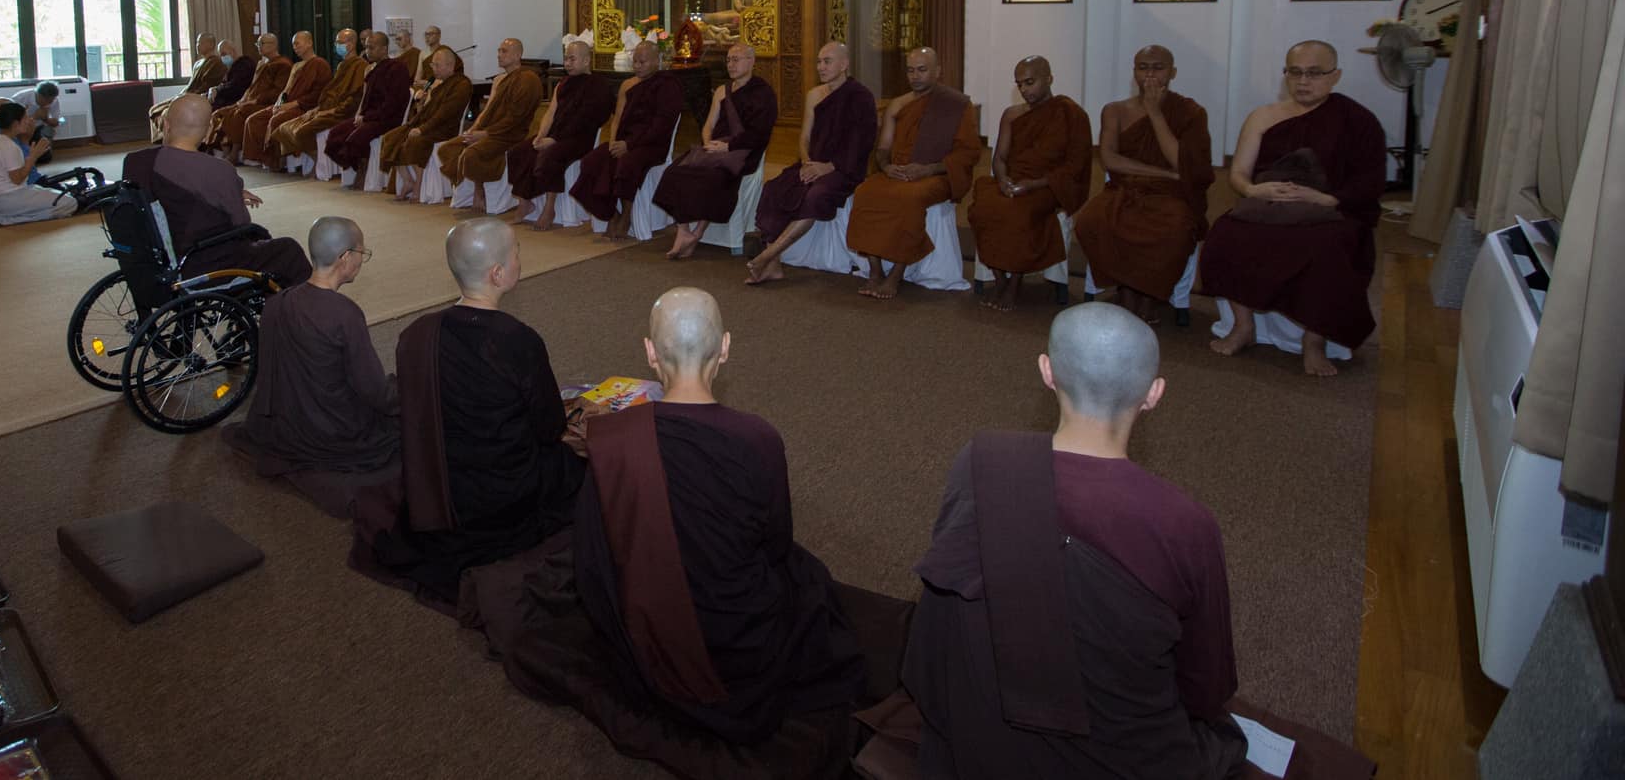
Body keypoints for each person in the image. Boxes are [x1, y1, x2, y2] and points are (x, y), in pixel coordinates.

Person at [899, 303, 1247, 778]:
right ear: (1153, 394)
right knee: (1225, 742)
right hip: (1120, 753)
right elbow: (1206, 686)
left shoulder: (981, 461)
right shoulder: (1184, 524)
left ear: (1047, 371)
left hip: (979, 730)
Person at [577, 287, 867, 742]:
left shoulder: (612, 439)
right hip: (737, 639)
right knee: (809, 579)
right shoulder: (757, 439)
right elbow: (775, 543)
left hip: (646, 630)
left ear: (650, 353)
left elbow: (595, 552)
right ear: (726, 347)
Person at [352, 218, 585, 602]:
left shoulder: (415, 335)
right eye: (517, 253)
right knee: (577, 469)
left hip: (438, 488)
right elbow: (548, 428)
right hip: (503, 497)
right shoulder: (516, 340)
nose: (519, 258)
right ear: (497, 274)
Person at [1205, 41, 1386, 377]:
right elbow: (1239, 175)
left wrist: (1325, 199)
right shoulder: (1263, 116)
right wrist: (1253, 189)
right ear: (1285, 74)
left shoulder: (1359, 122)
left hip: (1329, 212)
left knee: (1328, 249)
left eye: (1315, 73)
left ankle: (1314, 341)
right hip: (1268, 205)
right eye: (1295, 72)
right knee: (1224, 234)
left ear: (1336, 76)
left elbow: (1370, 181)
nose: (1304, 81)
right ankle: (1243, 327)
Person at [228, 215, 399, 478]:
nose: (361, 259)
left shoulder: (276, 303)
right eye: (361, 252)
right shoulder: (344, 313)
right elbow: (374, 390)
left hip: (286, 424)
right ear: (345, 257)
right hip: (334, 431)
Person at [1072, 46, 1215, 327]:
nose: (1149, 74)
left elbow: (1182, 163)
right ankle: (1125, 290)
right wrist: (1162, 172)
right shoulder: (1115, 110)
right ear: (1134, 71)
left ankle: (1149, 295)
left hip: (1171, 195)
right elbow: (1110, 159)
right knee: (1091, 220)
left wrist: (1155, 114)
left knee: (1174, 228)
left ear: (1172, 72)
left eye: (1158, 67)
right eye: (1142, 67)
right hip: (1126, 188)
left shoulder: (1190, 112)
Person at [122, 94, 312, 285]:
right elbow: (241, 224)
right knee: (287, 249)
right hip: (203, 263)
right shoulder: (220, 171)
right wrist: (230, 195)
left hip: (154, 261)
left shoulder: (135, 162)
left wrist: (225, 194)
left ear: (165, 124)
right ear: (208, 131)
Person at [848, 47, 981, 300]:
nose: (915, 76)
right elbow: (883, 148)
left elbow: (969, 153)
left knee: (909, 200)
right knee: (865, 192)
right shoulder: (899, 104)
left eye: (922, 70)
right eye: (910, 70)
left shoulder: (957, 105)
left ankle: (896, 274)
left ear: (937, 71)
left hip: (934, 174)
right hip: (897, 172)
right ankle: (875, 271)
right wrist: (887, 167)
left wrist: (928, 168)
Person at [967, 56, 1094, 311]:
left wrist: (1032, 185)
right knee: (983, 207)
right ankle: (1000, 279)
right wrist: (1003, 181)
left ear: (1049, 79)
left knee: (1017, 214)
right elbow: (1000, 158)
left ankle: (1015, 283)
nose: (1025, 90)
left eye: (1030, 82)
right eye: (1020, 84)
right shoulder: (1012, 115)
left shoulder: (1071, 114)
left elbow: (1074, 167)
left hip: (1049, 186)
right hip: (1014, 181)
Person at [747, 43, 876, 285]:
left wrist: (827, 167)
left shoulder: (861, 97)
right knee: (774, 188)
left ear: (844, 65)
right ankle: (773, 265)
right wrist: (807, 162)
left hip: (843, 168)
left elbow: (860, 145)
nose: (821, 67)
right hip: (811, 163)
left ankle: (768, 255)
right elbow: (804, 137)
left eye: (827, 61)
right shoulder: (815, 95)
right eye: (819, 62)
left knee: (816, 196)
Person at [657, 43, 779, 260]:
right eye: (729, 60)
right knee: (674, 172)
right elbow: (708, 124)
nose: (731, 64)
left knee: (714, 178)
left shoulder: (763, 93)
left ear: (751, 62)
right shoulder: (723, 90)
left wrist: (727, 147)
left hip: (742, 151)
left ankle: (698, 233)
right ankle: (683, 231)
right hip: (713, 149)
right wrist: (708, 145)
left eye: (737, 59)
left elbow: (760, 133)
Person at [570, 41, 684, 239]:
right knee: (591, 161)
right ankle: (611, 214)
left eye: (642, 62)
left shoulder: (668, 86)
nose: (637, 66)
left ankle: (627, 215)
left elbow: (661, 126)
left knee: (626, 164)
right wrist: (616, 142)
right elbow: (619, 119)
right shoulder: (630, 85)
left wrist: (629, 145)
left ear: (657, 61)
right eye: (635, 62)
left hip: (652, 145)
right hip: (625, 142)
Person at [506, 39, 613, 229]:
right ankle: (525, 203)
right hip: (554, 135)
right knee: (518, 151)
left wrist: (553, 140)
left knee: (551, 155)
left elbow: (584, 120)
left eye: (572, 59)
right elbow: (551, 113)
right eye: (566, 59)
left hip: (579, 138)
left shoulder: (598, 86)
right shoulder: (563, 84)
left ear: (587, 61)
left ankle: (549, 208)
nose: (567, 64)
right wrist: (540, 135)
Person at [434, 38, 544, 213]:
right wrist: (474, 129)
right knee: (447, 149)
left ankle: (479, 190)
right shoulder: (501, 80)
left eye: (504, 51)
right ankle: (467, 186)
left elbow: (515, 119)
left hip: (510, 134)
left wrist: (485, 134)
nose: (499, 55)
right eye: (499, 51)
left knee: (471, 154)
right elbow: (488, 110)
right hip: (490, 131)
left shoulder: (528, 79)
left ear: (518, 55)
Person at [322, 31, 412, 184]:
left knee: (355, 138)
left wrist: (367, 118)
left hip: (387, 119)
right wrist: (359, 115)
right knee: (335, 134)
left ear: (384, 49)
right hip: (368, 117)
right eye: (367, 47)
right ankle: (356, 165)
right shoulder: (372, 70)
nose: (368, 51)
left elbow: (393, 103)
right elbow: (366, 98)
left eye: (372, 48)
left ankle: (363, 169)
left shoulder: (397, 69)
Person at [383, 46, 469, 202]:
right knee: (391, 137)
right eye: (432, 65)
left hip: (444, 129)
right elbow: (426, 111)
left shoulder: (461, 84)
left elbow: (445, 114)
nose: (433, 69)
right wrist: (421, 102)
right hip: (428, 124)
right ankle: (408, 181)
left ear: (450, 65)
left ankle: (419, 186)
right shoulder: (439, 84)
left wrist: (422, 129)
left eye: (437, 65)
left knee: (416, 140)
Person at [272, 28, 364, 165]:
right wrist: (318, 109)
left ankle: (317, 160)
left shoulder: (360, 66)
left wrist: (330, 111)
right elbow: (331, 92)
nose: (336, 46)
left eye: (340, 42)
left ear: (350, 44)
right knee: (284, 127)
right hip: (325, 108)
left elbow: (354, 98)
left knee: (300, 131)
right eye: (336, 43)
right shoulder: (341, 66)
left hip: (340, 112)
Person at [0, 101, 77, 224]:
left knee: (57, 194)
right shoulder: (7, 145)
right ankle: (12, 219)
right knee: (70, 203)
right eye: (25, 117)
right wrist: (33, 157)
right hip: (9, 198)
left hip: (2, 198)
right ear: (16, 123)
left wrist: (32, 155)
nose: (29, 120)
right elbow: (17, 179)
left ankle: (12, 215)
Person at [242, 30, 330, 167]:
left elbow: (319, 93)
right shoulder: (296, 66)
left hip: (305, 107)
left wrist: (292, 105)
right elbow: (285, 90)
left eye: (297, 44)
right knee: (255, 119)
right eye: (293, 45)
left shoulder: (320, 64)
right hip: (288, 105)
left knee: (277, 120)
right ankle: (260, 157)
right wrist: (278, 104)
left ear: (309, 43)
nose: (295, 47)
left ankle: (277, 160)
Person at [206, 32, 290, 155]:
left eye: (262, 43)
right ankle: (216, 148)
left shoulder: (283, 64)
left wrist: (255, 100)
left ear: (273, 45)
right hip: (249, 100)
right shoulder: (262, 64)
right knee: (220, 112)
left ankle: (235, 152)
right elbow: (252, 87)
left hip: (264, 103)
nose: (259, 47)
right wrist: (244, 99)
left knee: (238, 113)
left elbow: (278, 91)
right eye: (258, 44)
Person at [150, 32, 224, 139]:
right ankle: (163, 140)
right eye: (197, 43)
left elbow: (207, 86)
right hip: (186, 94)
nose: (197, 45)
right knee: (154, 110)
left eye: (200, 42)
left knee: (167, 112)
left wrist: (185, 97)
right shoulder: (198, 63)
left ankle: (173, 140)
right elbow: (190, 84)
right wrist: (179, 95)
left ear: (210, 45)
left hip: (196, 97)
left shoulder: (216, 63)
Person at [7, 80, 64, 156]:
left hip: (38, 128)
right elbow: (11, 121)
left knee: (45, 155)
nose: (49, 103)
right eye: (47, 100)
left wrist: (45, 119)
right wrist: (34, 117)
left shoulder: (54, 101)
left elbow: (57, 121)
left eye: (51, 100)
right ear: (39, 95)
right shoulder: (20, 98)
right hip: (20, 129)